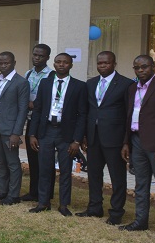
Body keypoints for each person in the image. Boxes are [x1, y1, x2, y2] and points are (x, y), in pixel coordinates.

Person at [120, 55, 155, 240]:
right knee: (140, 185)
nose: (140, 70)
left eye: (144, 67)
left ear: (153, 67)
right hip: (136, 141)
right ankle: (140, 221)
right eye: (136, 67)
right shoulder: (132, 88)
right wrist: (126, 143)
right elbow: (129, 117)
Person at [27, 53, 88, 216]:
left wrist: (77, 140)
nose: (61, 65)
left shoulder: (79, 86)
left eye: (65, 62)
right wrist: (32, 134)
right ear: (54, 64)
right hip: (46, 131)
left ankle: (63, 205)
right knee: (44, 168)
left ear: (71, 65)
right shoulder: (45, 83)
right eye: (58, 62)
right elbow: (38, 109)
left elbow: (82, 114)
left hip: (66, 134)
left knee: (65, 170)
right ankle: (43, 202)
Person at [77, 51, 133, 225]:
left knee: (117, 177)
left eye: (106, 63)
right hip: (93, 138)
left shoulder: (126, 84)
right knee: (94, 174)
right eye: (99, 63)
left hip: (114, 139)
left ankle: (116, 212)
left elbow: (129, 115)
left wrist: (126, 141)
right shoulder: (90, 83)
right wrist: (85, 135)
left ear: (114, 64)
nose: (102, 66)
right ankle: (94, 208)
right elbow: (87, 111)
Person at [0, 51, 29, 205]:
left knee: (12, 162)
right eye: (0, 63)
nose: (3, 66)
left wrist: (16, 133)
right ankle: (2, 191)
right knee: (0, 160)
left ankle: (13, 195)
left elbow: (23, 109)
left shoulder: (21, 82)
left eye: (7, 63)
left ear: (14, 63)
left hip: (10, 129)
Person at [22, 43, 54, 202]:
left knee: (45, 161)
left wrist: (35, 104)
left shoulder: (51, 75)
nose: (37, 58)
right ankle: (33, 192)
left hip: (44, 123)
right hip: (30, 121)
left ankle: (47, 194)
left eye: (41, 56)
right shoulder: (28, 74)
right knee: (32, 159)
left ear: (47, 57)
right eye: (35, 54)